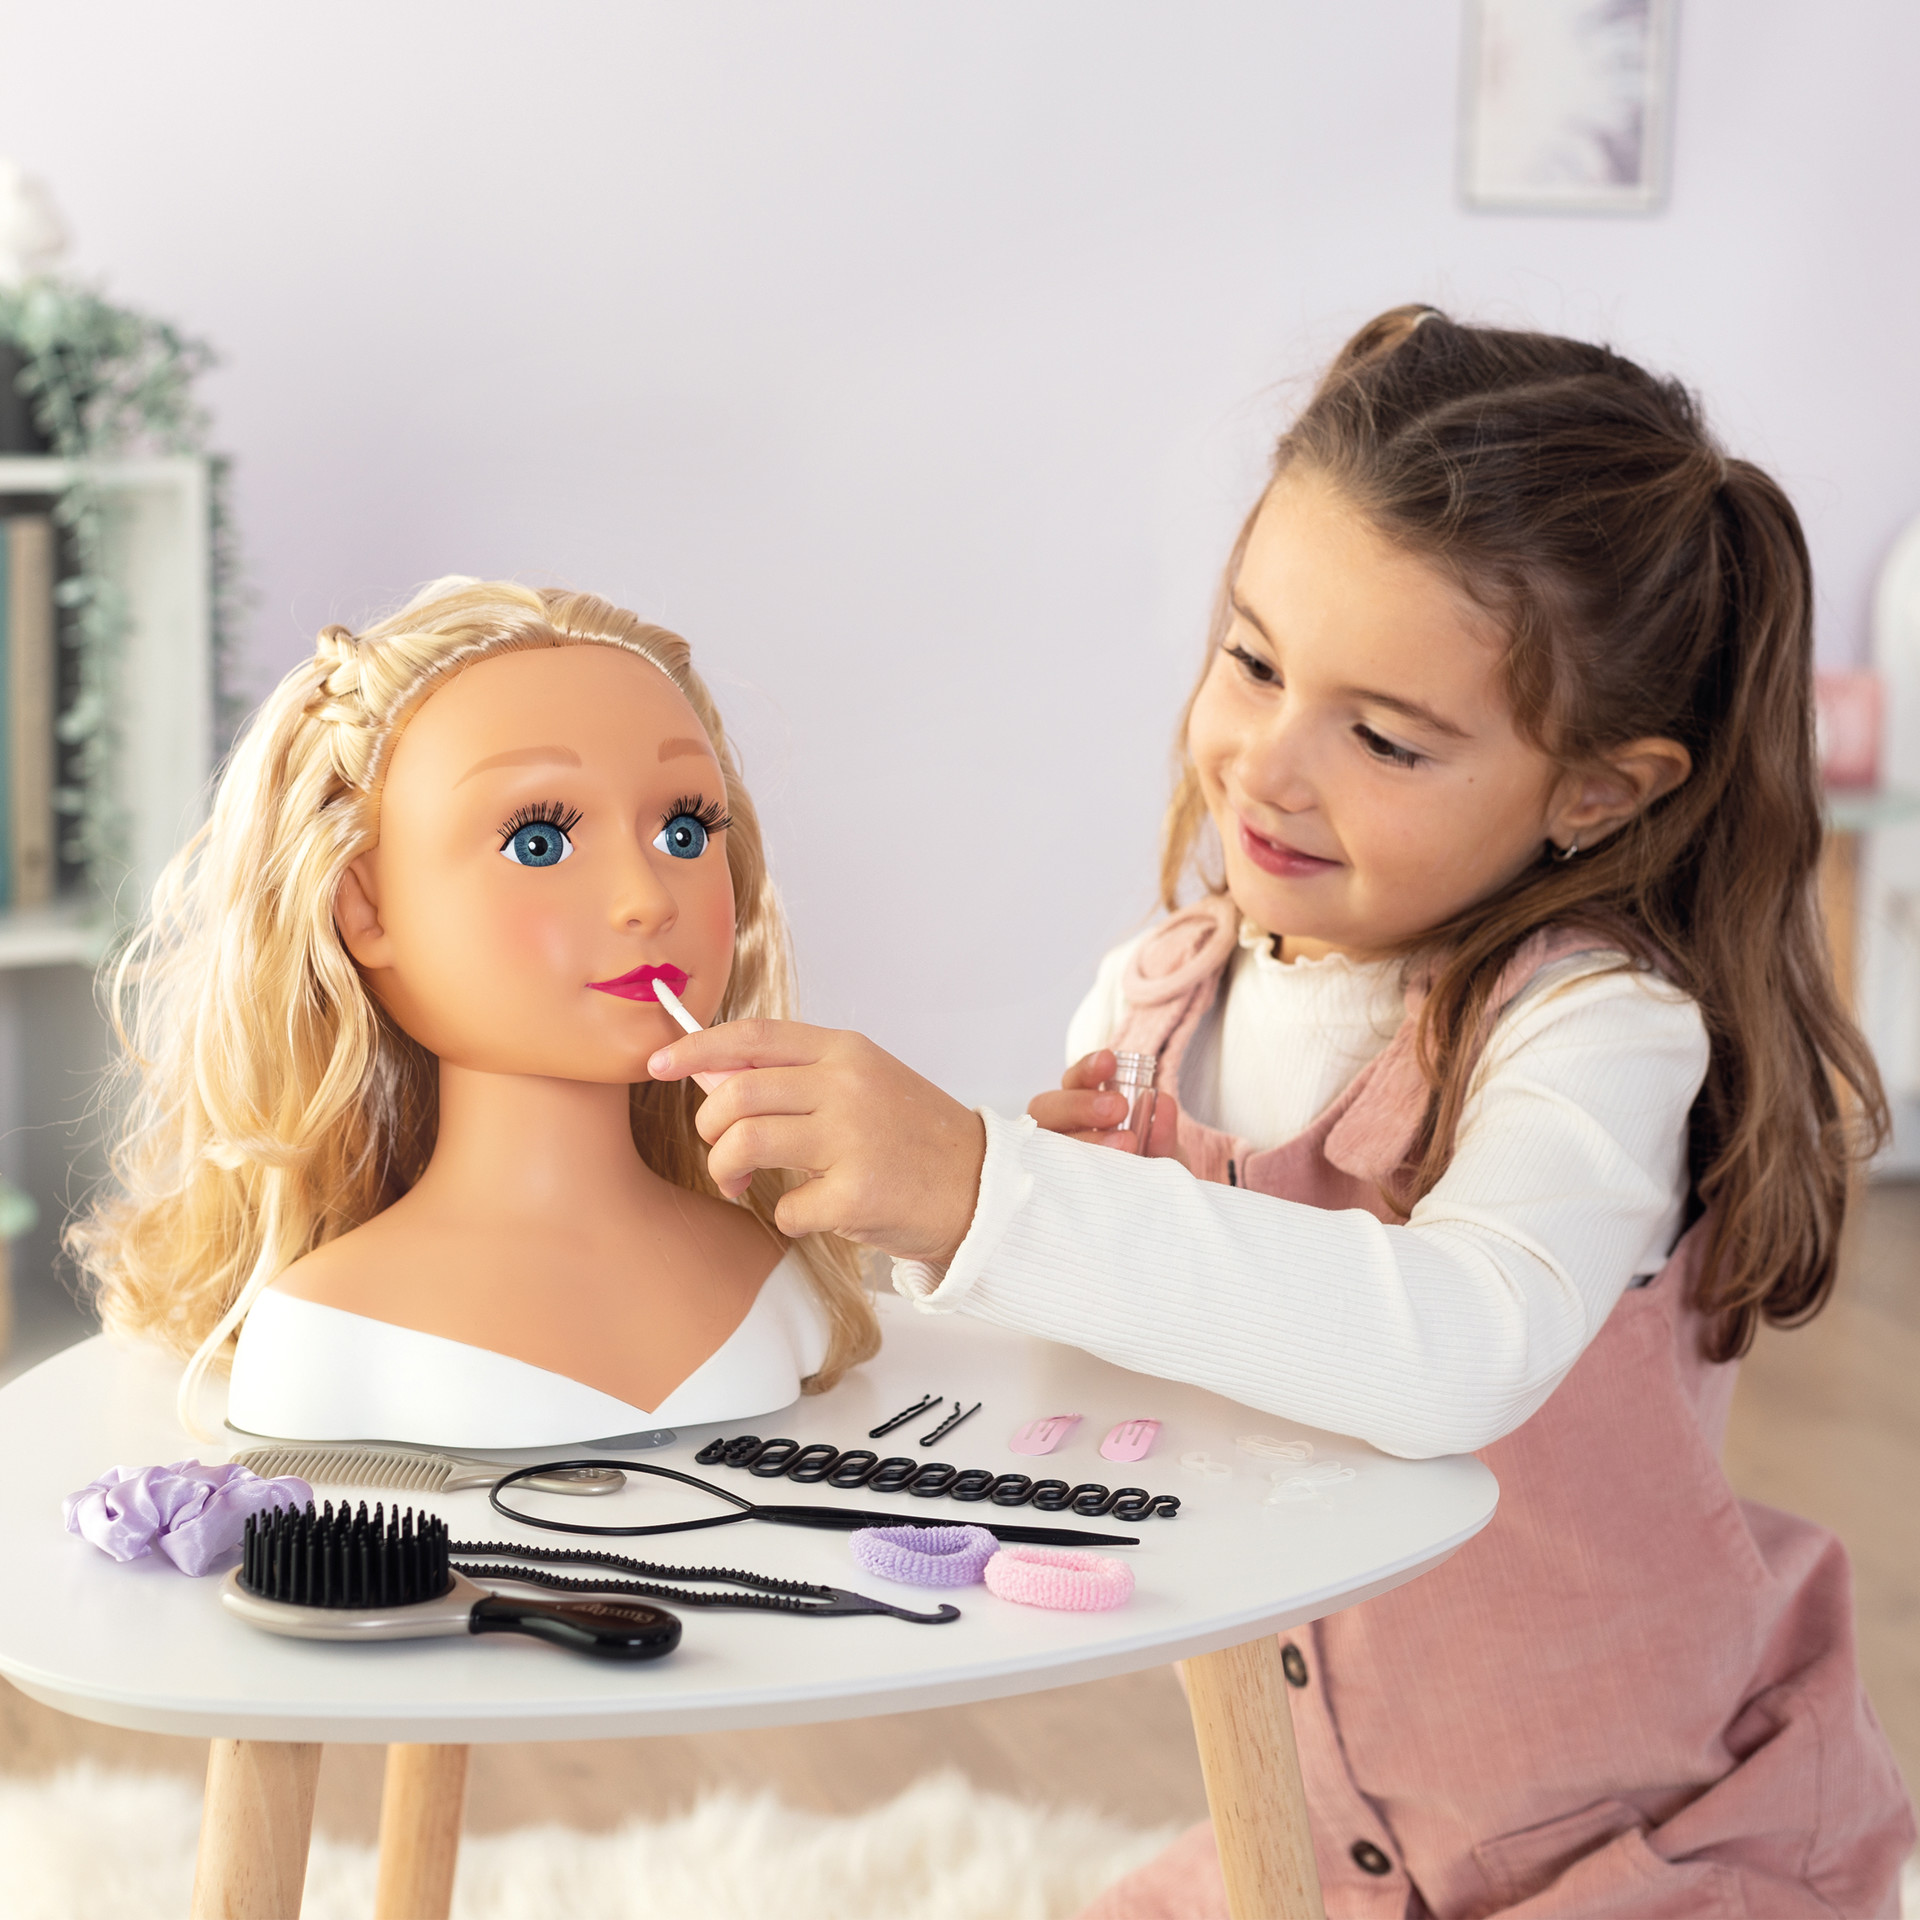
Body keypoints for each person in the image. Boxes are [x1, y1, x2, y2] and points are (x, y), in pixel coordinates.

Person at [650, 309, 1916, 1915]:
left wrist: (990, 1193)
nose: (1269, 764)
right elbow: (1106, 1375)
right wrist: (922, 1232)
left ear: (1597, 790)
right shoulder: (1155, 1003)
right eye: (1253, 661)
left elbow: (1460, 1349)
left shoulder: (1596, 1029)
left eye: (1384, 737)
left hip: (1649, 1848)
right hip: (1320, 1845)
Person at [68, 579, 876, 1446]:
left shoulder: (778, 1277)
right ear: (365, 907)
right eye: (540, 841)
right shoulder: (326, 1337)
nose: (646, 900)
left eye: (683, 830)